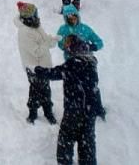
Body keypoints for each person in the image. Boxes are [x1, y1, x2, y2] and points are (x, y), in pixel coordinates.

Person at [34, 35, 100, 165]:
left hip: (74, 112)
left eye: (67, 45)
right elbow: (95, 89)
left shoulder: (74, 63)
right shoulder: (91, 63)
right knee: (87, 143)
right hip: (89, 112)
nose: (66, 48)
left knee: (66, 140)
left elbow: (56, 73)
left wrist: (39, 70)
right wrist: (98, 108)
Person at [56, 4, 106, 120]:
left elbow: (99, 42)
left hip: (88, 63)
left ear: (77, 16)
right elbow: (59, 43)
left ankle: (98, 109)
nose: (72, 19)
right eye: (69, 17)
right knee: (75, 89)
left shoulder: (85, 28)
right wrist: (65, 46)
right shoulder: (62, 30)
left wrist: (91, 46)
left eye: (74, 16)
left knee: (92, 86)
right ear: (65, 18)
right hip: (72, 63)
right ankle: (79, 111)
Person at [15, 2, 57, 124]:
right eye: (35, 13)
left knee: (45, 89)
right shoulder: (24, 32)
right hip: (34, 68)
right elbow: (37, 52)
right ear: (29, 16)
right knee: (36, 91)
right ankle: (33, 114)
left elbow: (43, 39)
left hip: (43, 66)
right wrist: (47, 44)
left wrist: (52, 40)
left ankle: (47, 111)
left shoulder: (35, 25)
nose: (38, 16)